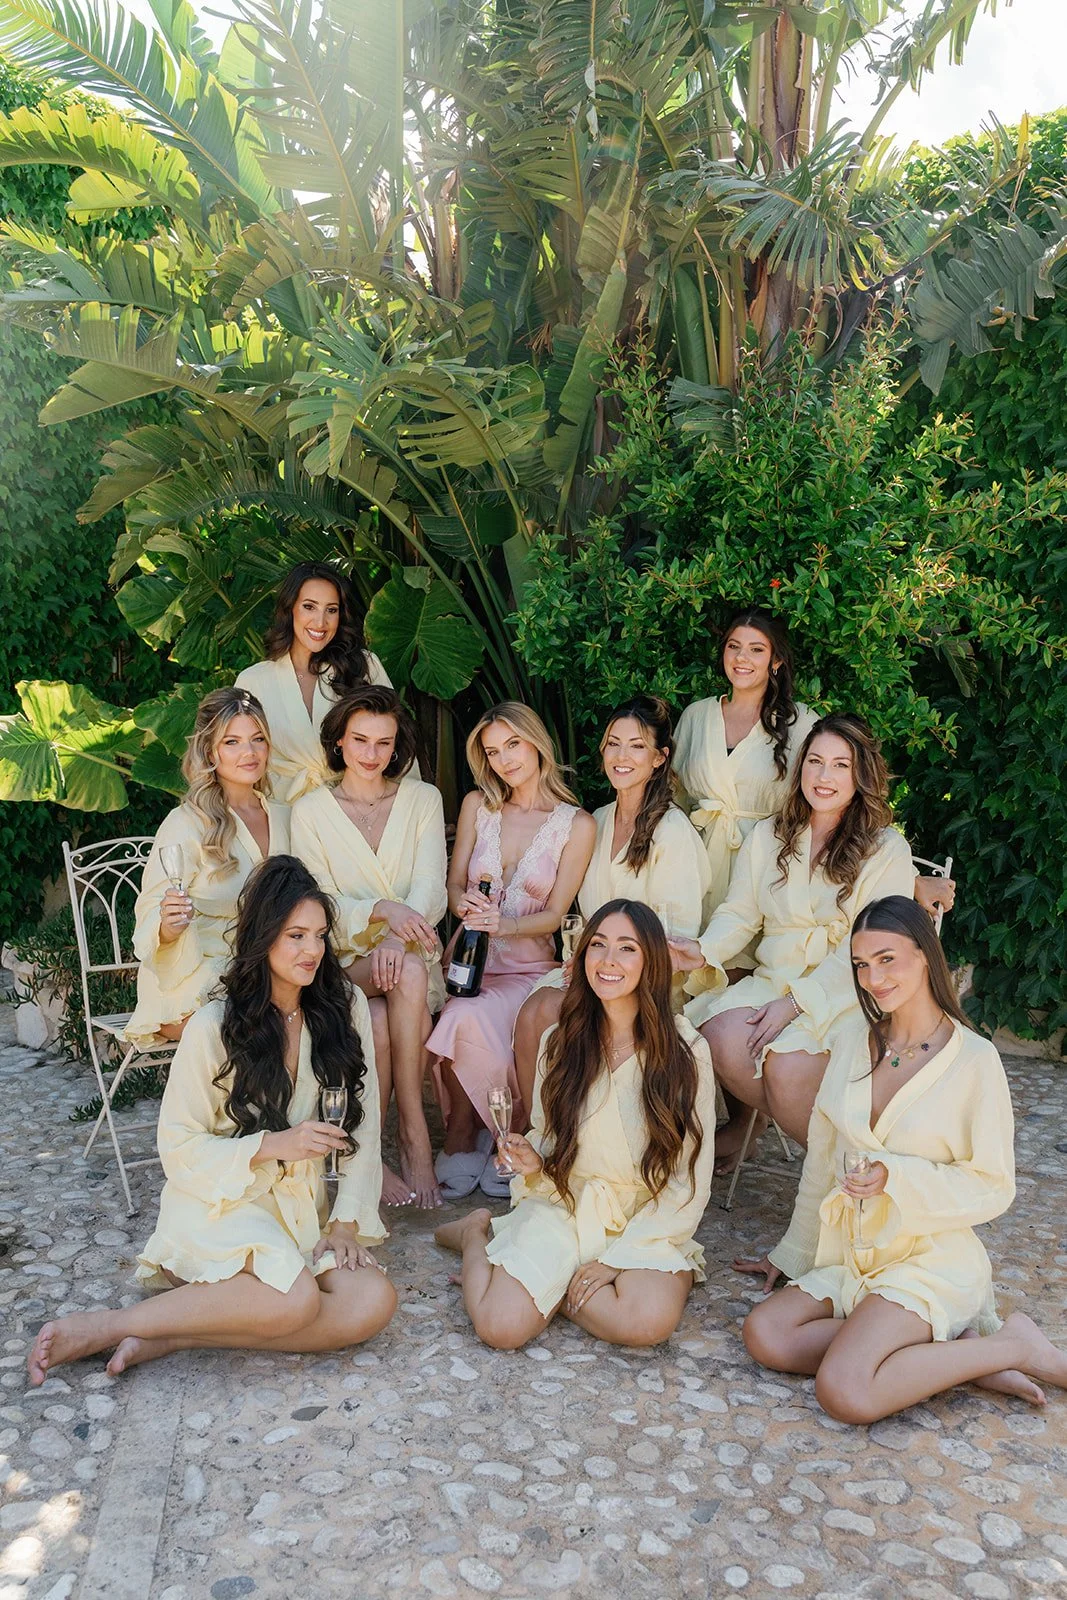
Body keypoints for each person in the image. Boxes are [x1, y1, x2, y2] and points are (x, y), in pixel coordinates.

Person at [27, 857, 396, 1385]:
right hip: (220, 1203)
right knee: (295, 1302)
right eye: (295, 936)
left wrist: (345, 1223)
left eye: (319, 935)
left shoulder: (345, 1006)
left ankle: (175, 1333)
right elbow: (176, 1147)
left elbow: (365, 1122)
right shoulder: (213, 1025)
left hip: (296, 1213)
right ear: (262, 938)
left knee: (372, 1302)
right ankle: (109, 1325)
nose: (313, 950)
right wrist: (271, 1145)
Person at [735, 896, 1067, 1421]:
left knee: (846, 1391)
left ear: (925, 952)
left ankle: (1014, 1346)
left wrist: (898, 1177)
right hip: (856, 1258)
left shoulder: (975, 1061)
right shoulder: (851, 1041)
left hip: (926, 1261)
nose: (873, 978)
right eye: (862, 964)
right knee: (767, 1334)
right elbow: (823, 1155)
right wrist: (793, 1253)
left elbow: (994, 1185)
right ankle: (958, 1357)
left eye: (887, 958)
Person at [434, 902, 717, 1351]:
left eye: (627, 949)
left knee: (644, 1324)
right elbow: (549, 1139)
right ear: (582, 955)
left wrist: (618, 1259)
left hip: (646, 1216)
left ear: (651, 964)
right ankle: (475, 1233)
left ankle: (550, 1283)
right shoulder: (559, 1042)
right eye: (598, 945)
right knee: (499, 1328)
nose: (608, 961)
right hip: (566, 1203)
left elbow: (688, 1181)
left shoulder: (687, 1053)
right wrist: (533, 1159)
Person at [672, 715, 916, 1154]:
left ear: (861, 775)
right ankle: (834, 1149)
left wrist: (797, 1002)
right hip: (775, 979)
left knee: (784, 1068)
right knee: (715, 1038)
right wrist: (703, 950)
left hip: (848, 989)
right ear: (800, 766)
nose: (824, 777)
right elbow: (740, 914)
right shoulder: (770, 835)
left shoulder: (887, 849)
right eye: (815, 761)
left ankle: (840, 1170)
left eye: (841, 765)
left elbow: (871, 949)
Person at [513, 695, 711, 1119]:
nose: (622, 756)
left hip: (647, 976)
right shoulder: (597, 820)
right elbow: (579, 917)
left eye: (637, 746)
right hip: (593, 963)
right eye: (613, 743)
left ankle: (558, 1130)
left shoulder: (672, 830)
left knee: (549, 1009)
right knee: (532, 1012)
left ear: (659, 758)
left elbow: (676, 938)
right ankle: (534, 1132)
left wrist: (613, 965)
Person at [428, 703, 595, 1201]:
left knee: (504, 1031)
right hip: (472, 961)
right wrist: (468, 906)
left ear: (535, 741)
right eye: (492, 751)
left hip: (533, 966)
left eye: (512, 745)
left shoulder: (576, 823)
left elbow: (557, 912)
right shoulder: (479, 805)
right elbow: (453, 885)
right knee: (462, 1013)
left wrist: (507, 923)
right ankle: (463, 1132)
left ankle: (508, 1136)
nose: (504, 760)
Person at [290, 685, 447, 1208]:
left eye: (384, 742)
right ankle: (412, 1135)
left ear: (397, 745)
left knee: (385, 1008)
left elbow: (430, 888)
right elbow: (319, 900)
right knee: (394, 981)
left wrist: (399, 942)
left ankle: (393, 1139)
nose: (371, 753)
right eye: (359, 739)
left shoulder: (423, 799)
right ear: (338, 741)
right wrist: (382, 913)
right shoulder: (310, 811)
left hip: (412, 957)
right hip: (341, 962)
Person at [126, 688, 290, 1045]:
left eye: (257, 739)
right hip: (194, 977)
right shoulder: (185, 823)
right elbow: (150, 915)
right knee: (263, 1021)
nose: (249, 752)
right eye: (232, 742)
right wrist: (169, 926)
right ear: (209, 751)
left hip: (268, 970)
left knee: (328, 1008)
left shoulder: (286, 817)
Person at [674, 608, 816, 911]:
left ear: (775, 661)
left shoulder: (800, 723)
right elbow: (672, 798)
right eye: (733, 646)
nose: (741, 657)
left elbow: (836, 800)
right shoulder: (696, 716)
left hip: (766, 868)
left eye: (756, 649)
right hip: (694, 865)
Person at [236, 561, 391, 803]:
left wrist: (409, 813)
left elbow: (397, 743)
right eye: (309, 607)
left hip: (357, 810)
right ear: (290, 609)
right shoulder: (253, 681)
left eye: (331, 610)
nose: (320, 622)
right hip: (282, 810)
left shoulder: (364, 666)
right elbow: (239, 762)